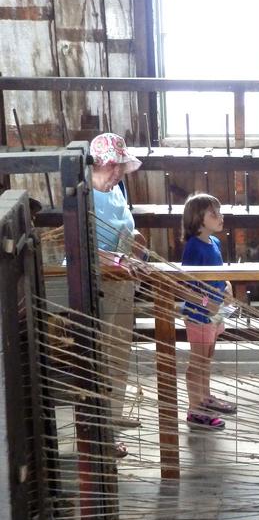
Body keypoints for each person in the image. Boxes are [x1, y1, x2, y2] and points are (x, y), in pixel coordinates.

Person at [90, 132, 147, 438]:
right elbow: (82, 248)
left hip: (123, 281)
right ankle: (99, 432)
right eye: (111, 168)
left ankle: (113, 416)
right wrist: (118, 261)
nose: (116, 173)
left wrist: (138, 246)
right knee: (99, 356)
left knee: (119, 351)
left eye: (119, 168)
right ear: (96, 165)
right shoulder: (81, 195)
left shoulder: (117, 190)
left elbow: (130, 229)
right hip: (96, 284)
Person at [181, 193, 235, 429]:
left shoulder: (215, 243)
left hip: (216, 312)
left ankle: (205, 397)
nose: (220, 216)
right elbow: (185, 289)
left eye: (219, 211)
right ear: (198, 219)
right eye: (214, 214)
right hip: (199, 315)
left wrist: (228, 287)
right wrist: (207, 303)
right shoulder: (193, 248)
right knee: (198, 362)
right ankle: (195, 411)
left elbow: (218, 275)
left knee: (208, 357)